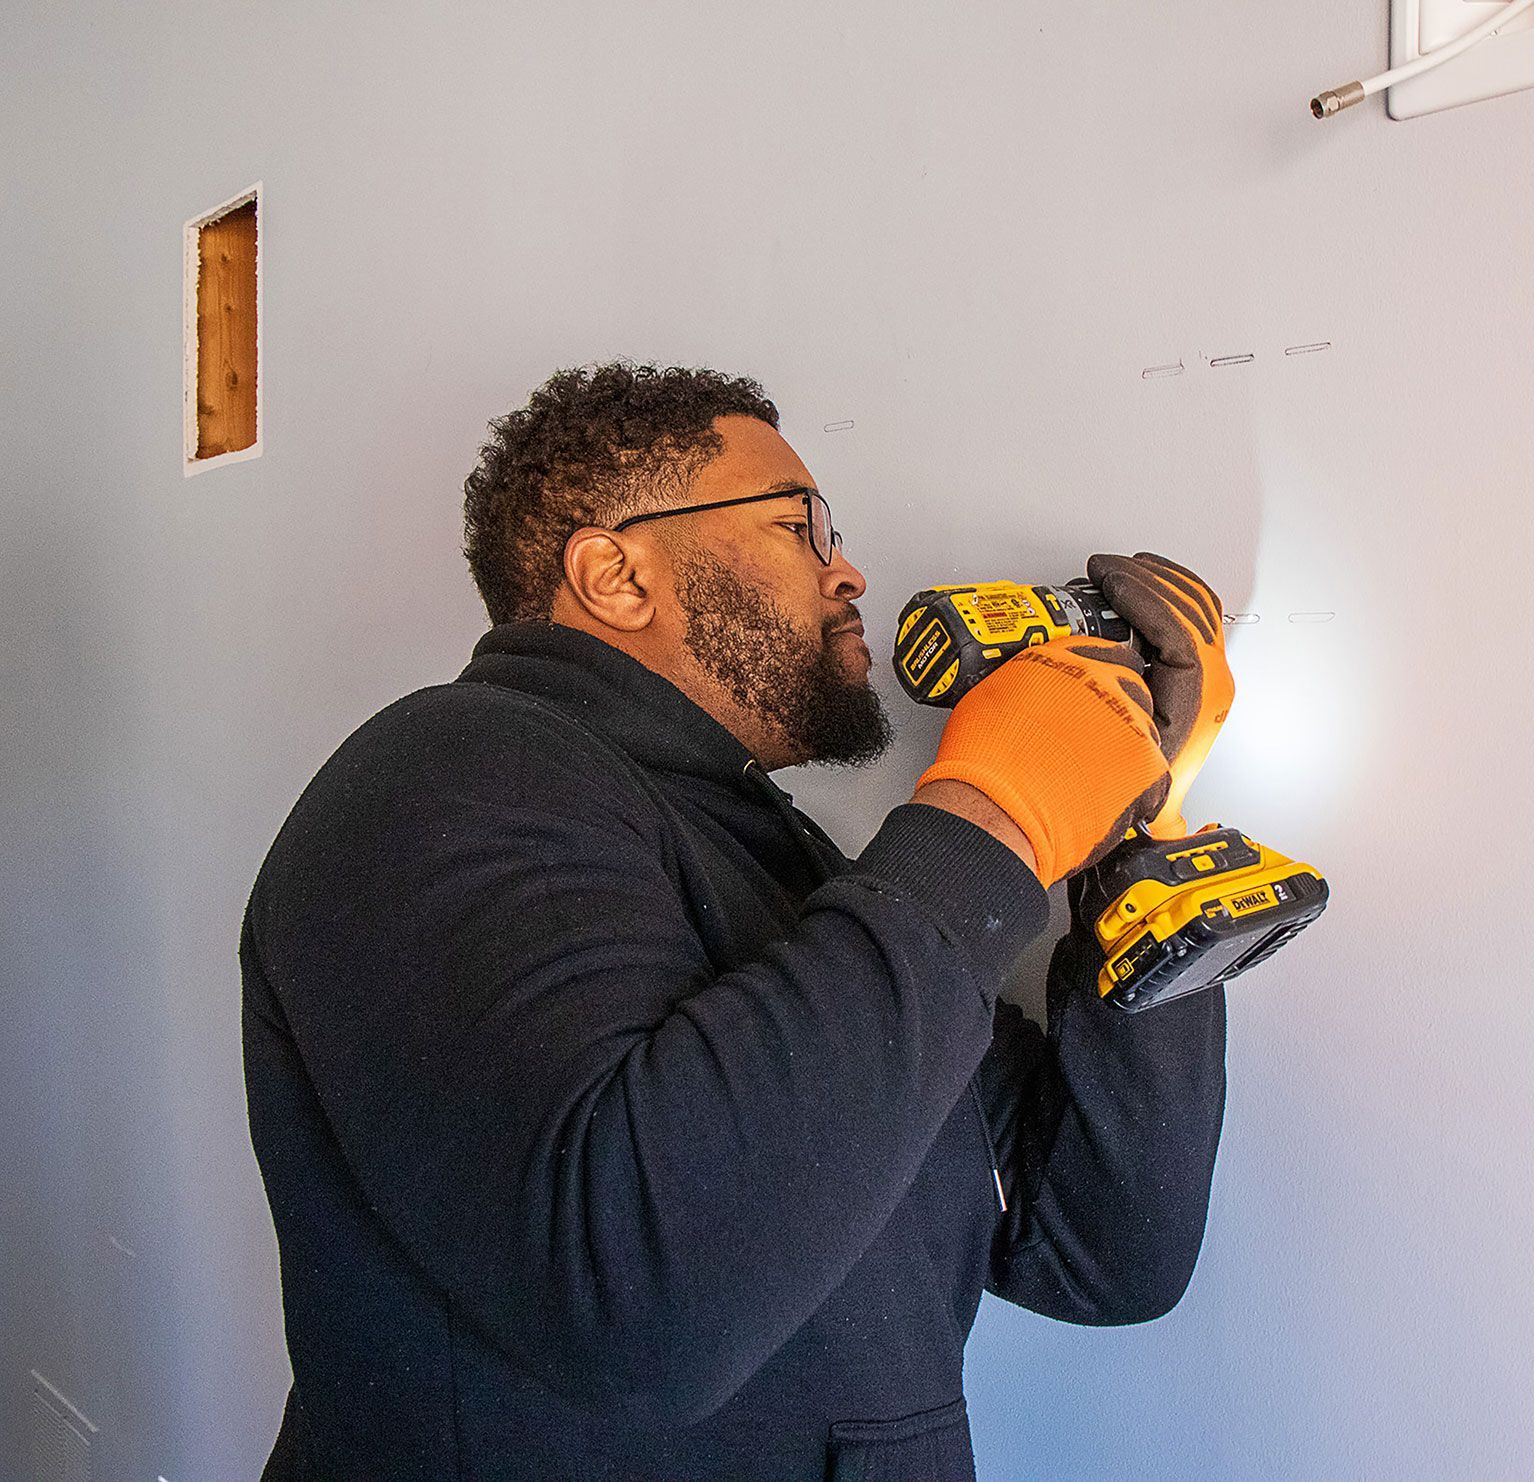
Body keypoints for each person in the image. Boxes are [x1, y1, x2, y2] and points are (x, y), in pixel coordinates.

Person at [241, 360, 1232, 1480]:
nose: (847, 572)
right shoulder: (442, 778)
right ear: (615, 575)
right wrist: (994, 814)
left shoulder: (793, 877)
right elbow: (635, 1295)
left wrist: (1138, 836)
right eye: (800, 526)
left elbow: (1101, 1252)